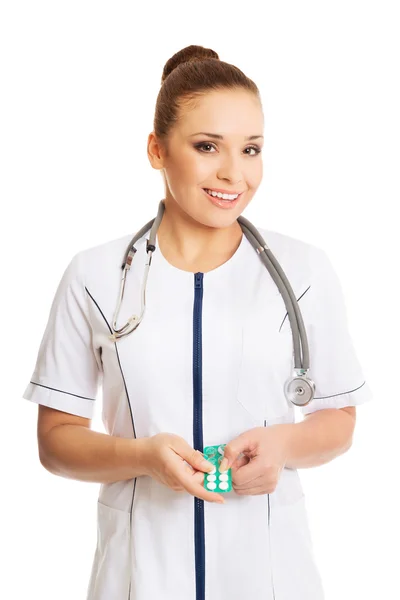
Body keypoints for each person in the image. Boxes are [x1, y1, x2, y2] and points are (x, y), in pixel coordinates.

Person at [22, 44, 372, 600]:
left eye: (251, 149)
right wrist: (142, 456)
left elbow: (339, 420)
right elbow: (56, 441)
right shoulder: (94, 275)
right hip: (139, 574)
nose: (234, 173)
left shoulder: (304, 271)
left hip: (271, 574)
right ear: (157, 150)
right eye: (207, 146)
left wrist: (281, 445)